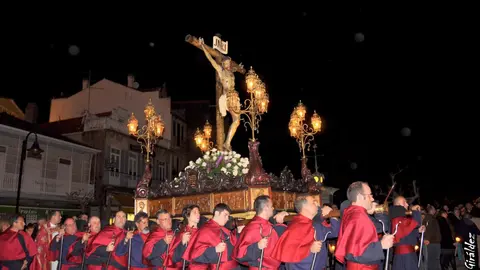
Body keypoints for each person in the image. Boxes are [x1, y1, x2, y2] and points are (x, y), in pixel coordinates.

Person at [335, 181, 394, 269]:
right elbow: (356, 253)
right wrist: (381, 245)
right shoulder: (358, 217)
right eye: (370, 195)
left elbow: (379, 227)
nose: (372, 199)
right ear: (360, 197)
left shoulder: (351, 213)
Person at [198, 37, 242, 151]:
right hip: (227, 97)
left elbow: (237, 68)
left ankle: (227, 143)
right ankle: (225, 144)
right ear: (223, 64)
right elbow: (211, 60)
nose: (227, 64)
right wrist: (203, 46)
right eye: (225, 63)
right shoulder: (221, 71)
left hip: (235, 97)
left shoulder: (232, 73)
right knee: (234, 119)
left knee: (237, 121)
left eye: (228, 63)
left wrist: (239, 68)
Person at [271, 194, 337, 269]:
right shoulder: (295, 226)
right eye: (313, 202)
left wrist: (332, 214)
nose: (317, 205)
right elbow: (289, 254)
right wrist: (309, 249)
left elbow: (334, 232)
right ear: (305, 207)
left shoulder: (315, 225)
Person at [234, 195, 289, 269]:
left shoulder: (269, 225)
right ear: (266, 208)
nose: (273, 208)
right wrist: (257, 247)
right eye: (271, 206)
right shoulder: (252, 227)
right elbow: (240, 254)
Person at [183, 203, 243, 269]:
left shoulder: (223, 228)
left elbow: (232, 242)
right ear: (217, 213)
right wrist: (214, 250)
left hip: (235, 266)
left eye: (228, 216)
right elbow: (196, 255)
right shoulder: (205, 230)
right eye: (225, 215)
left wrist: (238, 233)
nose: (227, 218)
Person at [389, 196, 425, 270]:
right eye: (404, 202)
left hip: (407, 253)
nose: (407, 204)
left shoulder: (401, 215)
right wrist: (415, 211)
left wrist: (417, 231)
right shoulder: (397, 215)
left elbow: (405, 232)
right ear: (398, 204)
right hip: (405, 255)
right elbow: (414, 223)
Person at [171, 205, 201, 269]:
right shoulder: (182, 233)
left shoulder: (202, 231)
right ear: (187, 216)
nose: (198, 214)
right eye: (195, 212)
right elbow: (174, 258)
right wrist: (182, 243)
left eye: (198, 212)